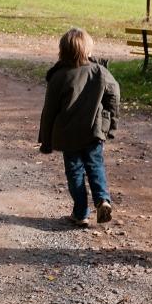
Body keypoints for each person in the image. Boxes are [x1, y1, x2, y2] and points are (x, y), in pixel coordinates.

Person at [38, 28, 120, 227]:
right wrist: (110, 125)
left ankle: (81, 212)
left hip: (68, 136)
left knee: (74, 173)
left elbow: (49, 111)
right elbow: (114, 95)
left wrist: (46, 141)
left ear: (62, 52)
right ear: (88, 51)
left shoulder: (59, 77)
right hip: (94, 131)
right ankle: (102, 200)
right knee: (95, 166)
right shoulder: (99, 71)